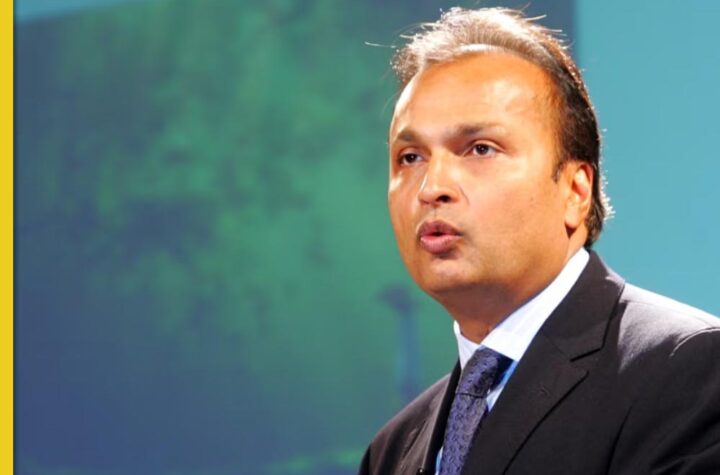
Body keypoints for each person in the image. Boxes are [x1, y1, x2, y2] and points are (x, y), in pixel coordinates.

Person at [359, 7, 720, 475]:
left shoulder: (688, 370)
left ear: (575, 191)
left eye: (480, 149)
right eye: (410, 157)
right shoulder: (391, 452)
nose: (432, 187)